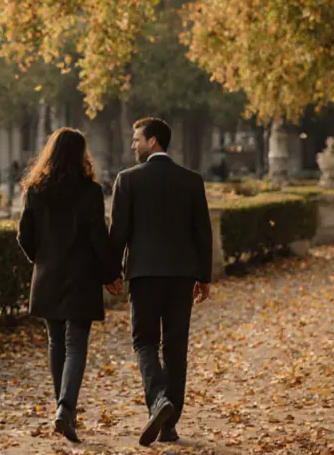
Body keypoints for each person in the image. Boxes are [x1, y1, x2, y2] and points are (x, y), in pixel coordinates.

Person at [107, 117, 213, 446]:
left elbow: (118, 233)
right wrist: (203, 277)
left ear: (154, 141)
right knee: (176, 347)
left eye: (137, 139)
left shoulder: (127, 180)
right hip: (182, 275)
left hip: (144, 274)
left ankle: (157, 401)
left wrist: (111, 272)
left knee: (145, 343)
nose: (133, 145)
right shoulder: (191, 180)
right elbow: (203, 232)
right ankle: (169, 425)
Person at [16, 128, 117, 444]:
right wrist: (110, 274)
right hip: (81, 278)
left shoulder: (34, 191)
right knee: (76, 344)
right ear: (81, 155)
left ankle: (63, 410)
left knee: (56, 343)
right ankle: (65, 409)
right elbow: (99, 238)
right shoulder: (90, 192)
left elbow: (24, 236)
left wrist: (42, 260)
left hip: (48, 277)